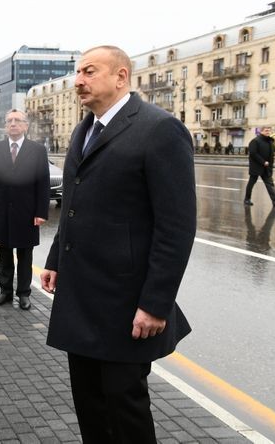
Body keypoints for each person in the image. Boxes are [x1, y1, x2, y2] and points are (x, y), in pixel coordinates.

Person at [40, 46, 196, 443]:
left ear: (121, 77)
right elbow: (75, 202)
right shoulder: (84, 129)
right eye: (78, 73)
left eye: (89, 72)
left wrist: (155, 303)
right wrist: (56, 257)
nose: (78, 81)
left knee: (124, 408)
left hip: (126, 303)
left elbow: (176, 226)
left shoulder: (159, 129)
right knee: (89, 405)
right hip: (81, 296)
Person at [0, 109, 49, 310]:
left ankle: (24, 294)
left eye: (17, 120)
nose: (13, 124)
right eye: (9, 120)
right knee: (4, 253)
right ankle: (5, 291)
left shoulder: (37, 150)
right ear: (5, 126)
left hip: (27, 213)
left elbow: (43, 183)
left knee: (25, 255)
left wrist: (41, 212)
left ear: (25, 126)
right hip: (2, 211)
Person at [244, 126, 275, 206]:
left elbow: (271, 154)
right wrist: (263, 162)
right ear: (261, 131)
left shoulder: (269, 141)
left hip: (266, 167)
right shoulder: (255, 141)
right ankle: (247, 199)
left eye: (269, 131)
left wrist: (270, 165)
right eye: (266, 131)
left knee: (270, 183)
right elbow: (253, 153)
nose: (268, 132)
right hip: (256, 167)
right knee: (251, 183)